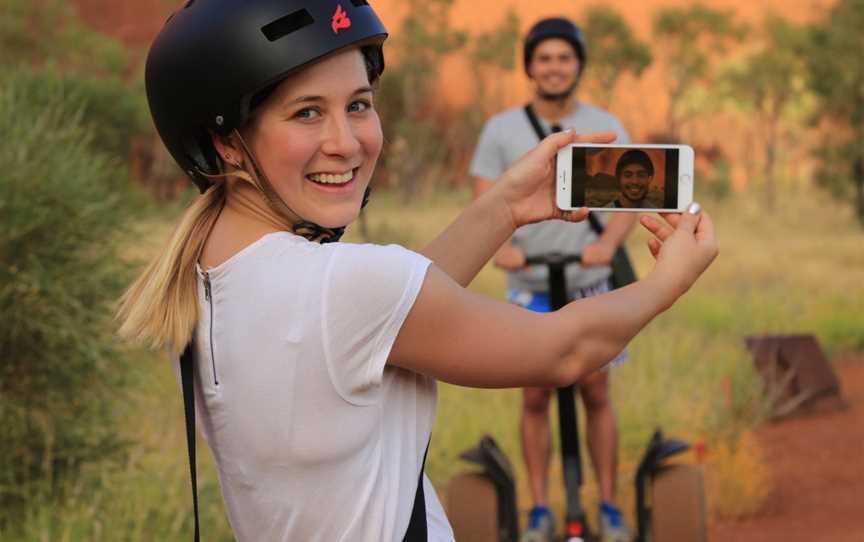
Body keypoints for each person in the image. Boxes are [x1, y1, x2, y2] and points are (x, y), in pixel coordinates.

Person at [117, 2, 718, 541]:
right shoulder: (341, 288)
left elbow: (390, 315)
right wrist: (668, 283)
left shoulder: (201, 279)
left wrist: (505, 206)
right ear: (226, 142)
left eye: (358, 105)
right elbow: (563, 350)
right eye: (306, 113)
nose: (346, 142)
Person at [470, 17, 639, 542]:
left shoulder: (603, 123)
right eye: (544, 58)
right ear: (530, 65)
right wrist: (502, 250)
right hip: (532, 283)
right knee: (536, 394)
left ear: (578, 64)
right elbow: (484, 197)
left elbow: (632, 196)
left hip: (589, 278)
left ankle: (609, 507)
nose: (554, 67)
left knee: (595, 388)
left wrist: (607, 246)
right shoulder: (501, 130)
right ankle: (540, 510)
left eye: (564, 57)